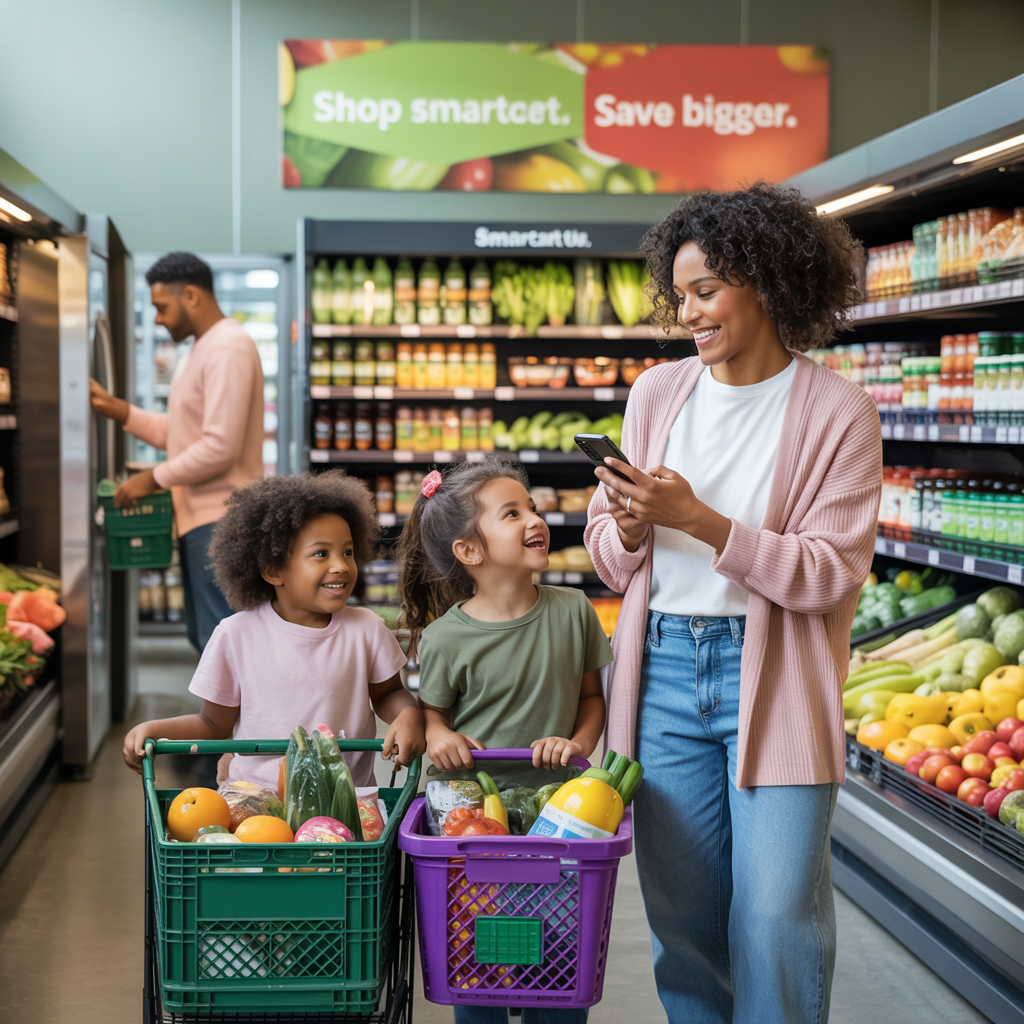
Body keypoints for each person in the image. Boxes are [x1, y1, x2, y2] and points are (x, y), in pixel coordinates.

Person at [584, 183, 881, 1024]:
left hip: (777, 676)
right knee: (684, 923)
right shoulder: (657, 395)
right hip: (664, 675)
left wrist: (702, 522)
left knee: (776, 916)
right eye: (680, 295)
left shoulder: (839, 413)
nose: (688, 314)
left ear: (768, 282)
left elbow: (828, 575)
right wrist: (636, 528)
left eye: (706, 291)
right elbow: (608, 555)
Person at [398, 460, 611, 1024]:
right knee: (478, 956)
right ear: (470, 551)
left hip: (558, 811)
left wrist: (577, 748)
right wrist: (440, 735)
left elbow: (593, 700)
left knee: (558, 954)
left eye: (533, 508)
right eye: (512, 513)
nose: (533, 519)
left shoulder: (574, 612)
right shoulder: (447, 637)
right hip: (468, 819)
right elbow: (432, 714)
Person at [122, 471, 425, 791]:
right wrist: (155, 729)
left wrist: (407, 715)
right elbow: (212, 723)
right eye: (321, 553)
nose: (341, 566)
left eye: (347, 552)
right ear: (273, 570)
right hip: (255, 805)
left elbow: (389, 693)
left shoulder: (365, 629)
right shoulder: (235, 635)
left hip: (346, 804)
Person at [90, 251, 264, 652]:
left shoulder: (227, 348)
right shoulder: (201, 349)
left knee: (222, 649)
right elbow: (187, 434)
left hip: (219, 519)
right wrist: (121, 411)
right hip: (201, 519)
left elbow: (219, 447)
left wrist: (152, 478)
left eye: (161, 307)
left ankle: (242, 719)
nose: (157, 319)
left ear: (190, 295)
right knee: (207, 641)